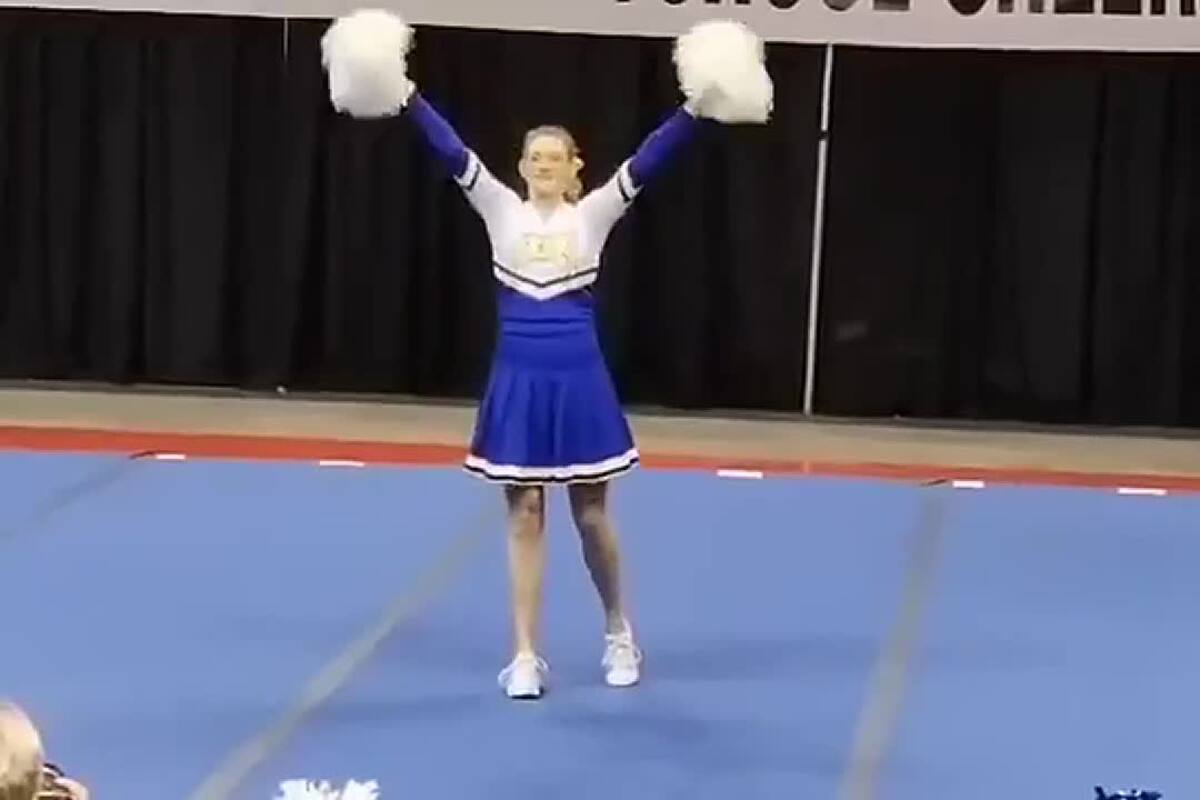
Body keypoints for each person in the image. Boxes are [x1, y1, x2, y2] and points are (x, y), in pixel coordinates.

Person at [401, 88, 704, 698]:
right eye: (533, 158)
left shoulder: (591, 214)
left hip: (577, 378)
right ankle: (524, 654)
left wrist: (697, 108)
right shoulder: (498, 209)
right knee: (524, 513)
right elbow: (447, 146)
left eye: (554, 158)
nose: (542, 166)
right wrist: (402, 93)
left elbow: (649, 161)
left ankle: (619, 629)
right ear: (520, 168)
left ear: (574, 168)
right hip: (518, 377)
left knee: (591, 515)